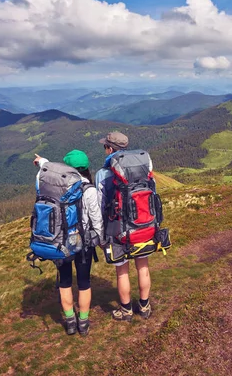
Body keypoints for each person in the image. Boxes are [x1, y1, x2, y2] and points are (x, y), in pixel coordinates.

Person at [33, 150, 103, 336]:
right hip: (83, 243)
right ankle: (84, 323)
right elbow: (97, 220)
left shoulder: (51, 183)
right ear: (86, 167)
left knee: (64, 282)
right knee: (83, 282)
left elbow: (45, 170)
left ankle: (70, 322)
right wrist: (101, 239)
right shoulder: (89, 190)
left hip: (60, 242)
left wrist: (42, 161)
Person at [95, 132, 153, 322]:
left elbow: (100, 206)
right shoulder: (143, 167)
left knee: (122, 271)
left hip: (117, 231)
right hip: (143, 226)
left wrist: (100, 235)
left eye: (105, 147)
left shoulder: (103, 174)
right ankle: (144, 307)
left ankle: (126, 310)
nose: (105, 149)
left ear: (110, 149)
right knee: (143, 267)